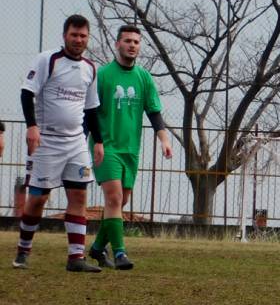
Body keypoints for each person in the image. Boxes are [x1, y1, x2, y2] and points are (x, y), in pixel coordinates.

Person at [14, 14, 105, 272]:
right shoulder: (48, 60)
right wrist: (32, 126)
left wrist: (98, 141)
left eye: (83, 36)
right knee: (38, 199)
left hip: (76, 142)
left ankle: (76, 258)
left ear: (88, 38)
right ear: (65, 36)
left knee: (79, 195)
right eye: (74, 35)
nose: (78, 40)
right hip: (47, 141)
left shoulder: (90, 68)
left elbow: (91, 108)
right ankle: (23, 250)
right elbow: (27, 93)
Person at [87, 24, 173, 270]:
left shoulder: (144, 78)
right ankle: (120, 253)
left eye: (136, 41)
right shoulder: (103, 75)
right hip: (106, 147)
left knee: (121, 200)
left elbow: (154, 112)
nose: (132, 45)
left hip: (130, 150)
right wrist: (92, 141)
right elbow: (89, 111)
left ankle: (97, 248)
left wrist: (164, 139)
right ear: (118, 44)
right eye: (127, 41)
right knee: (114, 197)